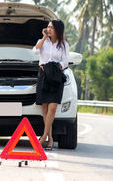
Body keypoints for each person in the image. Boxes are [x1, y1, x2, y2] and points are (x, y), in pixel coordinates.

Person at [32, 20, 69, 151]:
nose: (49, 29)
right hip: (43, 76)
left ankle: (43, 137)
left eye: (51, 27)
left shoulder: (64, 44)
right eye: (48, 27)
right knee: (45, 109)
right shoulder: (42, 41)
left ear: (58, 29)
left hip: (56, 76)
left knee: (53, 107)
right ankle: (50, 139)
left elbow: (65, 61)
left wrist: (54, 67)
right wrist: (44, 37)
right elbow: (35, 52)